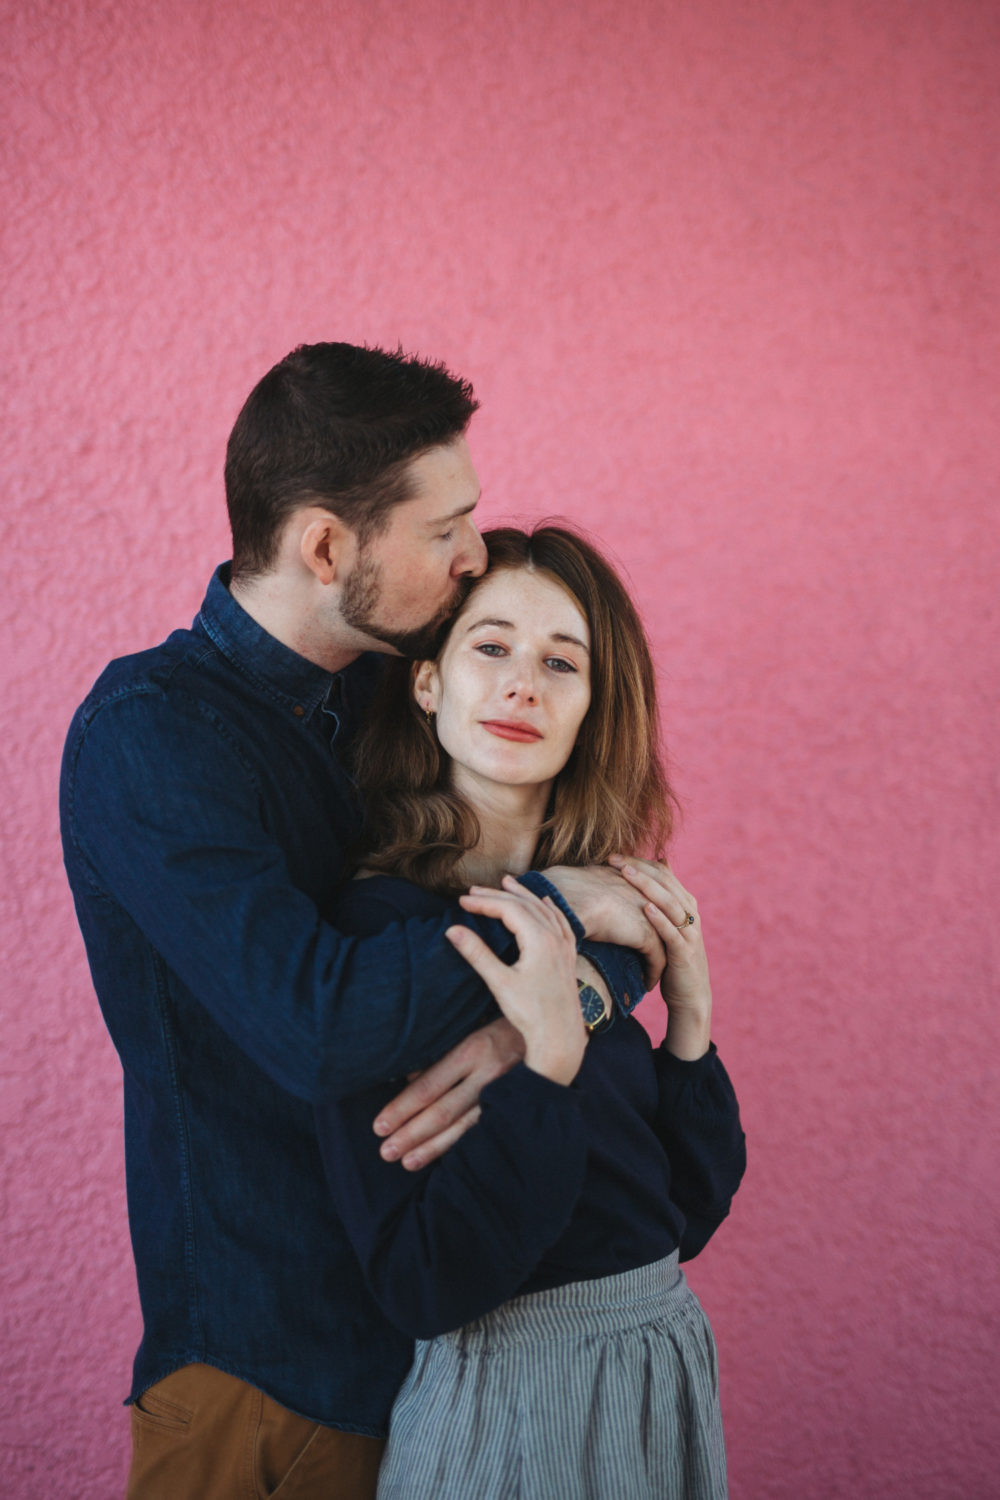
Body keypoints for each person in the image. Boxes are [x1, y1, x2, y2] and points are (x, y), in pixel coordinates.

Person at [59, 343, 678, 1499]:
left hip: (450, 1370)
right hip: (267, 1383)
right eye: (445, 528)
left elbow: (619, 905)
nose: (474, 555)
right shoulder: (151, 738)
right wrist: (561, 912)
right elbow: (318, 1024)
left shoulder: (401, 687)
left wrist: (564, 1001)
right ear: (329, 548)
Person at [315, 525, 747, 1499]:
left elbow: (681, 1216)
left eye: (562, 662)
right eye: (491, 647)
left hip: (661, 1368)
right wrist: (544, 1064)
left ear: (593, 709)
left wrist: (689, 1022)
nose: (524, 684)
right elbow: (420, 1284)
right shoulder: (385, 935)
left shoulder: (607, 919)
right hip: (514, 1403)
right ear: (427, 683)